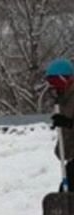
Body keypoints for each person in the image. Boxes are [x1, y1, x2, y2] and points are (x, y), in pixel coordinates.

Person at [45, 58, 74, 191]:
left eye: (55, 82)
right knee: (65, 193)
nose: (53, 87)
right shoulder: (64, 100)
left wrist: (68, 123)